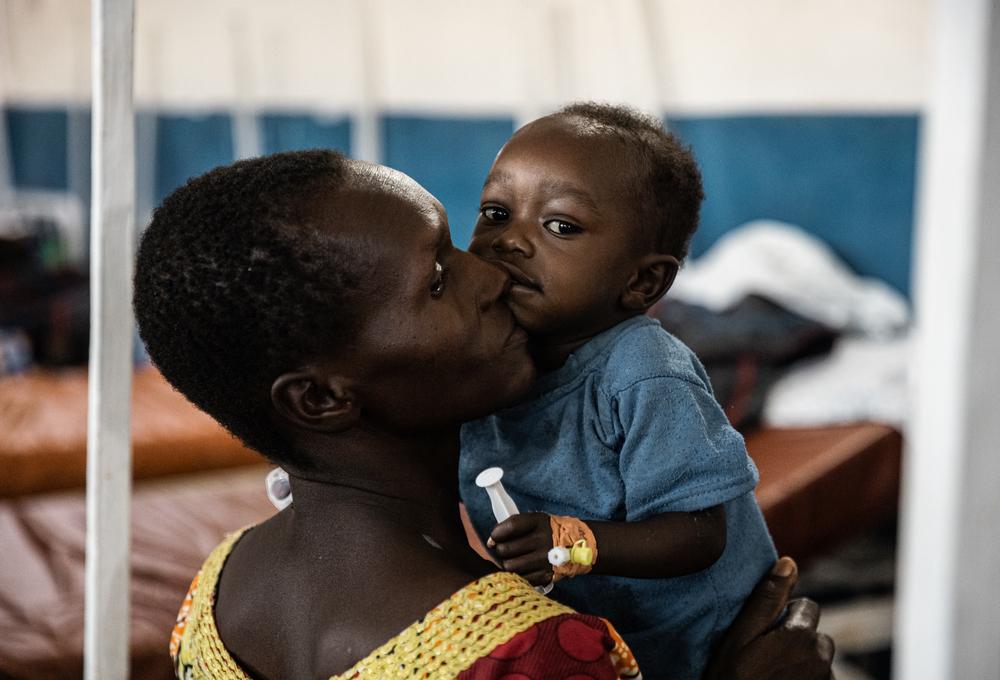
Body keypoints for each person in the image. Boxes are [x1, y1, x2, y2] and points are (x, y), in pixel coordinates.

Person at [134, 150, 832, 678]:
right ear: (321, 398)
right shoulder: (532, 654)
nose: (494, 274)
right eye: (438, 280)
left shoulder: (218, 590)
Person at [459, 103, 776, 679]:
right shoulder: (475, 356)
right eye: (496, 212)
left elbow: (699, 533)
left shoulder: (643, 371)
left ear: (642, 281)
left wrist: (574, 541)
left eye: (560, 225)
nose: (510, 241)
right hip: (599, 639)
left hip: (702, 642)